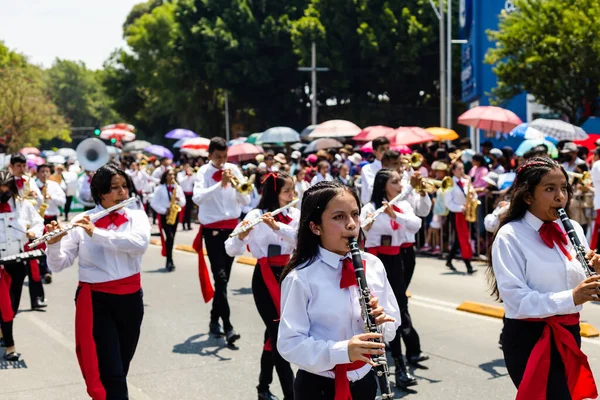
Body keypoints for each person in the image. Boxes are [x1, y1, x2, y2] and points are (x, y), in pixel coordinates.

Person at [278, 180, 400, 400]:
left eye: (355, 214)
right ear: (315, 227)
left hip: (364, 380)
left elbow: (392, 323)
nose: (352, 224)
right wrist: (343, 351)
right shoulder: (301, 277)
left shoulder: (372, 265)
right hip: (317, 388)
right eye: (339, 217)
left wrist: (380, 324)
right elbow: (289, 344)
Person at [489, 157, 599, 400]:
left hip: (569, 331)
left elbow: (583, 285)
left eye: (564, 188)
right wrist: (572, 296)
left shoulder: (573, 228)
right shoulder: (510, 236)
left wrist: (597, 272)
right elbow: (517, 301)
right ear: (528, 196)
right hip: (529, 338)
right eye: (550, 189)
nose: (561, 197)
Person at [46, 164, 150, 400]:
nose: (122, 192)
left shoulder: (136, 216)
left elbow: (138, 243)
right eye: (114, 188)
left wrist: (97, 233)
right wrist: (53, 244)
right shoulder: (82, 221)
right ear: (100, 192)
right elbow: (58, 265)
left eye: (125, 186)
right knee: (111, 373)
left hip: (131, 300)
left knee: (121, 367)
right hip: (96, 302)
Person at [225, 172, 298, 400]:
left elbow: (301, 241)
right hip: (265, 277)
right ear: (274, 193)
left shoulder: (295, 214)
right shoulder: (255, 215)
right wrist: (241, 235)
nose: (291, 195)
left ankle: (262, 387)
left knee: (272, 334)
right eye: (287, 191)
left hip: (289, 275)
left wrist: (278, 228)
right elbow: (231, 249)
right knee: (278, 333)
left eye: (292, 190)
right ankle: (292, 393)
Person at [361, 169, 425, 389]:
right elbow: (359, 233)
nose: (400, 185)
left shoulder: (403, 205)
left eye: (399, 181)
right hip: (374, 263)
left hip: (395, 262)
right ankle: (371, 368)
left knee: (395, 309)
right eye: (395, 182)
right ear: (383, 185)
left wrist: (394, 215)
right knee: (372, 313)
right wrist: (367, 225)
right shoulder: (369, 208)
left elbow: (416, 225)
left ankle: (400, 368)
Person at [192, 137, 250, 346]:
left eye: (224, 157)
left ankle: (213, 320)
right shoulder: (203, 172)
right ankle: (228, 326)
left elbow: (245, 200)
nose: (222, 161)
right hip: (213, 231)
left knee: (223, 279)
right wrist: (219, 185)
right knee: (221, 277)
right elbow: (197, 198)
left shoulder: (233, 169)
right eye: (217, 157)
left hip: (232, 229)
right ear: (209, 155)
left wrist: (235, 186)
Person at [0, 171, 45, 361]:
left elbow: (38, 222)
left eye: (6, 191)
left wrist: (33, 232)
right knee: (4, 304)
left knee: (13, 303)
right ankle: (10, 347)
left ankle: (3, 331)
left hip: (18, 262)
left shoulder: (22, 205)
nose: (4, 195)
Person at [444, 160, 476, 274]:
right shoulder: (449, 183)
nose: (462, 171)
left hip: (465, 213)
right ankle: (468, 265)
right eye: (459, 169)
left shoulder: (465, 181)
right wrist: (460, 208)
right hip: (456, 213)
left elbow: (472, 194)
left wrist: (472, 195)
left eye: (463, 169)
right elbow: (448, 202)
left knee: (460, 238)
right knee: (462, 237)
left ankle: (449, 259)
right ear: (453, 171)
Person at [150, 169, 186, 271]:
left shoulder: (178, 188)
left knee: (172, 238)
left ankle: (169, 259)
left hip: (175, 214)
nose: (172, 177)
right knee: (169, 237)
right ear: (165, 176)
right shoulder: (160, 188)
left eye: (173, 175)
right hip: (165, 215)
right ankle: (170, 260)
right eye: (170, 175)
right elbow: (153, 203)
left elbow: (184, 202)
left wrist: (179, 201)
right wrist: (163, 210)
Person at [360, 137, 390, 205]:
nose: (387, 152)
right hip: (374, 206)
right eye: (382, 149)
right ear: (374, 151)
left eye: (388, 148)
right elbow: (373, 188)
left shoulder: (393, 166)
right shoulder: (367, 169)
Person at [177, 164, 195, 231]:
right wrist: (187, 176)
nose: (188, 168)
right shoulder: (180, 174)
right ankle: (183, 225)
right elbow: (180, 182)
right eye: (186, 167)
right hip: (183, 194)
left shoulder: (191, 174)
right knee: (183, 210)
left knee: (189, 211)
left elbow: (194, 181)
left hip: (190, 194)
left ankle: (189, 225)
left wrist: (192, 175)